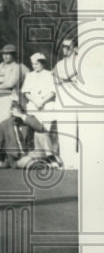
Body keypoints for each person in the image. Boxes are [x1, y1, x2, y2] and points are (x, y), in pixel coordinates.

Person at [21, 52, 60, 165]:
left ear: (42, 63)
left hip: (46, 105)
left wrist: (42, 101)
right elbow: (26, 92)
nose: (34, 66)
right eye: (33, 64)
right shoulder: (29, 75)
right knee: (37, 131)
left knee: (44, 131)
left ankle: (49, 156)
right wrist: (35, 101)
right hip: (34, 106)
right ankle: (43, 158)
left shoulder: (49, 74)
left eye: (37, 64)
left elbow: (53, 91)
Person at [0, 100, 49, 168]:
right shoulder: (4, 125)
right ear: (11, 111)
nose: (17, 113)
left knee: (41, 135)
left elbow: (42, 130)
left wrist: (22, 116)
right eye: (14, 109)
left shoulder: (29, 120)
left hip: (33, 154)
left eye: (20, 110)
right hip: (18, 159)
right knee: (30, 162)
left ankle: (48, 160)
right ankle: (42, 164)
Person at [0, 44, 29, 130]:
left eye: (8, 54)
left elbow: (10, 84)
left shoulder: (17, 67)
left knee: (5, 123)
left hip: (8, 98)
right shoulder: (0, 66)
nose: (5, 56)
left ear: (13, 55)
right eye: (3, 54)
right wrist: (1, 80)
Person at [52, 37, 79, 170]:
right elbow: (54, 77)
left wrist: (61, 77)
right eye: (63, 46)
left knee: (72, 130)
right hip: (61, 96)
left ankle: (74, 162)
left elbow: (66, 76)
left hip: (73, 97)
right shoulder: (60, 63)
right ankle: (65, 161)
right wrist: (61, 78)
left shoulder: (79, 61)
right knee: (62, 130)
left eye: (68, 46)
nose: (64, 49)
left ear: (75, 48)